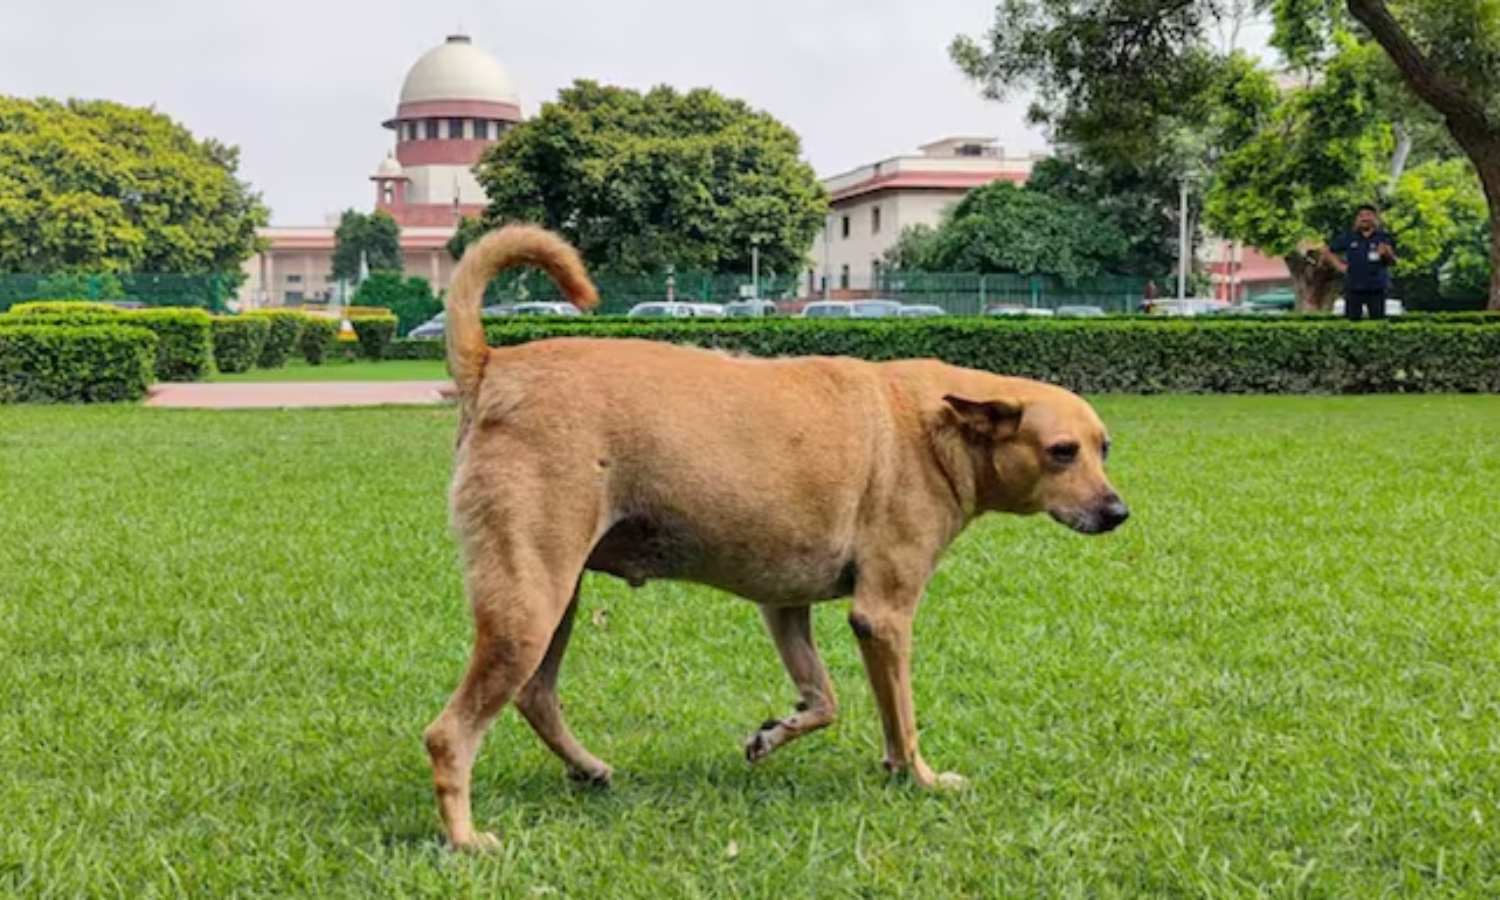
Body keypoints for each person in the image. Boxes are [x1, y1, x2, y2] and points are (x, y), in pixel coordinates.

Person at [1323, 205, 1398, 320]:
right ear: (1356, 219)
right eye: (1361, 216)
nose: (1364, 219)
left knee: (1377, 322)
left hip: (1376, 287)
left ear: (1375, 218)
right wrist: (1340, 266)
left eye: (1368, 215)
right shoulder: (1349, 237)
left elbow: (1393, 261)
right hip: (1353, 286)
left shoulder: (1383, 237)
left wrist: (1386, 253)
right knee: (1352, 322)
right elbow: (1328, 251)